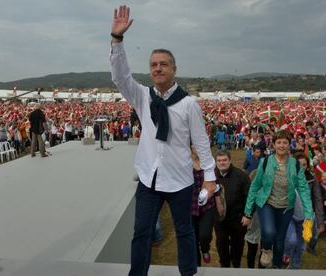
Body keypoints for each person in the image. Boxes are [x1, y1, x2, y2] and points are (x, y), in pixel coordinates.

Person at [109, 5, 216, 276]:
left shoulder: (189, 104)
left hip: (179, 178)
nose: (157, 69)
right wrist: (117, 40)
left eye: (163, 64)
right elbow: (121, 77)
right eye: (153, 65)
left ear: (174, 69)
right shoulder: (143, 96)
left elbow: (201, 141)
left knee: (184, 232)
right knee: (141, 233)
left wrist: (210, 176)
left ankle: (188, 273)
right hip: (149, 177)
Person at [242, 130, 313, 269]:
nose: (281, 145)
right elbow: (255, 186)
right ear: (273, 145)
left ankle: (276, 266)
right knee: (269, 232)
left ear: (289, 145)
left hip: (286, 207)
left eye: (285, 142)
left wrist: (309, 214)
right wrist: (247, 212)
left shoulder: (295, 165)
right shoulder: (265, 161)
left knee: (280, 240)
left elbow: (304, 189)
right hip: (266, 203)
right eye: (278, 142)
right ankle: (266, 249)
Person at [213, 150, 250, 268]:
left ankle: (236, 266)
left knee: (237, 245)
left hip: (238, 218)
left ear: (230, 161)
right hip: (219, 219)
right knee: (221, 244)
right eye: (219, 160)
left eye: (224, 160)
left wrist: (247, 215)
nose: (222, 163)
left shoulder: (241, 176)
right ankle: (224, 267)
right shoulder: (211, 176)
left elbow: (249, 196)